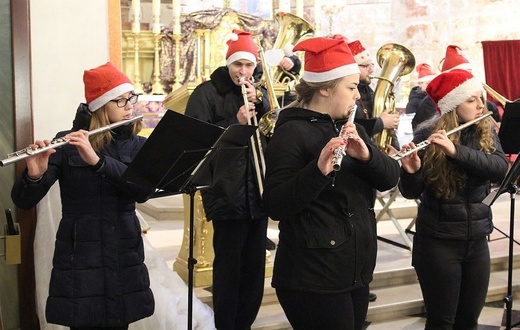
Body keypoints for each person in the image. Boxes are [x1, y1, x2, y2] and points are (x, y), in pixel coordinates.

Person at [262, 37, 400, 330]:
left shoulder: (353, 127)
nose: (357, 97)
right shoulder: (291, 133)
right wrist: (318, 171)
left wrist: (367, 156)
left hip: (354, 269)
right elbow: (276, 205)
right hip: (312, 276)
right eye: (350, 88)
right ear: (325, 87)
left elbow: (390, 178)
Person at [11, 62, 155, 329]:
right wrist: (34, 175)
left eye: (130, 98)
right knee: (84, 320)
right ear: (101, 107)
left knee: (120, 320)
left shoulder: (138, 145)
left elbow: (144, 190)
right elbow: (23, 200)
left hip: (124, 248)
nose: (129, 106)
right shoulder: (67, 143)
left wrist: (98, 162)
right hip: (81, 252)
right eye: (120, 101)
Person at [398, 69, 508, 329]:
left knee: (468, 320)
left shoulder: (485, 130)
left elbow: (498, 168)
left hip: (477, 240)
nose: (482, 104)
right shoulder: (426, 135)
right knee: (442, 322)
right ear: (452, 106)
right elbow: (411, 191)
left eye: (480, 98)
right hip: (438, 243)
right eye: (471, 100)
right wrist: (410, 171)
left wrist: (455, 151)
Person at [184, 29, 269, 330]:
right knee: (229, 269)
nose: (243, 72)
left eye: (249, 66)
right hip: (226, 193)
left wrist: (265, 106)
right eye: (238, 66)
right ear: (228, 64)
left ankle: (244, 324)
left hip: (258, 193)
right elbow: (197, 140)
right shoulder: (206, 93)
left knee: (254, 272)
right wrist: (237, 122)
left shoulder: (259, 94)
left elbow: (270, 134)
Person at [412, 45, 501, 131]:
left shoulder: (485, 106)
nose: (468, 77)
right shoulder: (429, 105)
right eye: (471, 100)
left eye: (470, 73)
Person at [344, 37, 400, 151]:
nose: (371, 70)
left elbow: (387, 124)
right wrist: (380, 123)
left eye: (371, 65)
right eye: (365, 66)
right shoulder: (347, 93)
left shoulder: (369, 91)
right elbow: (347, 125)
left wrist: (395, 149)